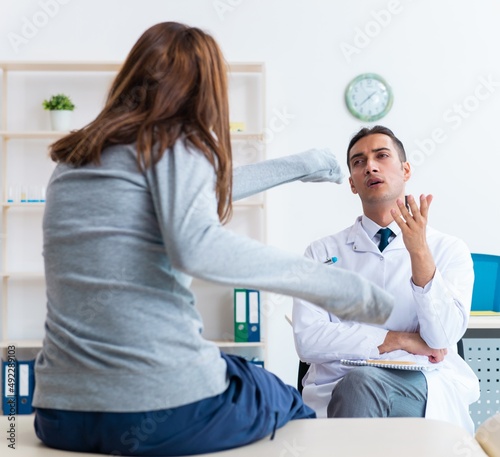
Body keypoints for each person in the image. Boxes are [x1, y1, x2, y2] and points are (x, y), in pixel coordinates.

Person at [32, 23, 395, 456]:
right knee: (286, 401)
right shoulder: (174, 143)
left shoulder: (74, 163)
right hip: (159, 407)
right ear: (205, 91)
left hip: (60, 413)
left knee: (237, 371)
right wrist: (341, 289)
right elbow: (198, 245)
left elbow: (197, 192)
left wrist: (303, 164)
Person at [292, 125, 480, 434]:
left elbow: (443, 337)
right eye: (358, 162)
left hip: (423, 383)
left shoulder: (448, 249)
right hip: (336, 385)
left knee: (362, 385)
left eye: (382, 156)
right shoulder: (321, 252)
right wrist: (395, 340)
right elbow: (308, 339)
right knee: (359, 384)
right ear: (352, 184)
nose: (370, 166)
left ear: (405, 169)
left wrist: (419, 251)